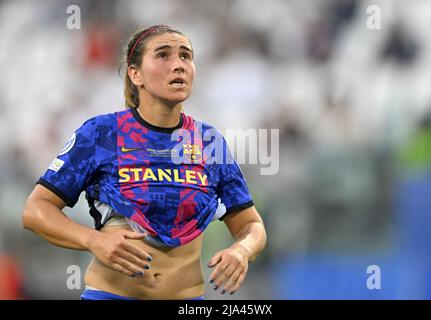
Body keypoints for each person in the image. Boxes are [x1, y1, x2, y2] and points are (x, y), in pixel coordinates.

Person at [22, 25, 267, 300]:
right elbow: (36, 210)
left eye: (185, 56)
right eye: (163, 55)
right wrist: (94, 241)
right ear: (135, 73)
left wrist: (242, 250)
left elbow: (251, 226)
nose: (178, 65)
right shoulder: (102, 133)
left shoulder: (208, 141)